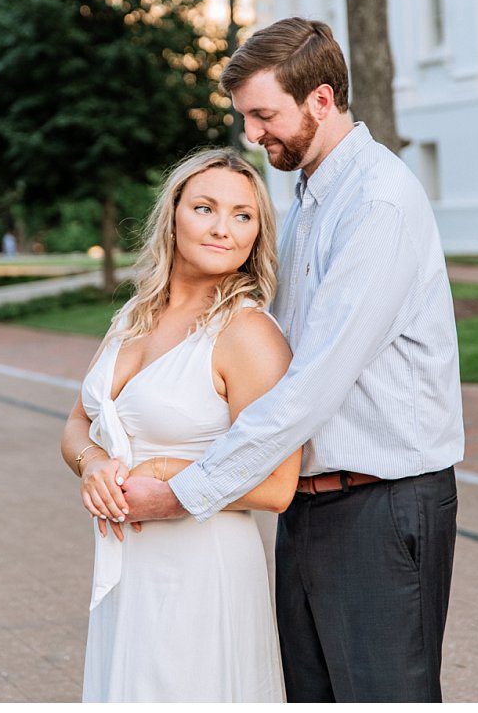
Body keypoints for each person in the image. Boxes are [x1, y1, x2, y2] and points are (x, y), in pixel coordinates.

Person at [120, 18, 464, 702]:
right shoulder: (311, 197)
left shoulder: (376, 203)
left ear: (322, 100)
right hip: (308, 507)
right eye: (247, 116)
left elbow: (309, 387)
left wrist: (181, 491)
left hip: (380, 507)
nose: (253, 134)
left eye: (264, 115)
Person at [63, 148, 300, 701]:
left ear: (257, 235)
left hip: (200, 568)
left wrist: (170, 470)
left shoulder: (248, 334)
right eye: (205, 208)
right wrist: (93, 464)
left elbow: (278, 486)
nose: (223, 228)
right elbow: (78, 422)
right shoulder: (133, 316)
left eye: (243, 215)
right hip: (127, 568)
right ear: (172, 214)